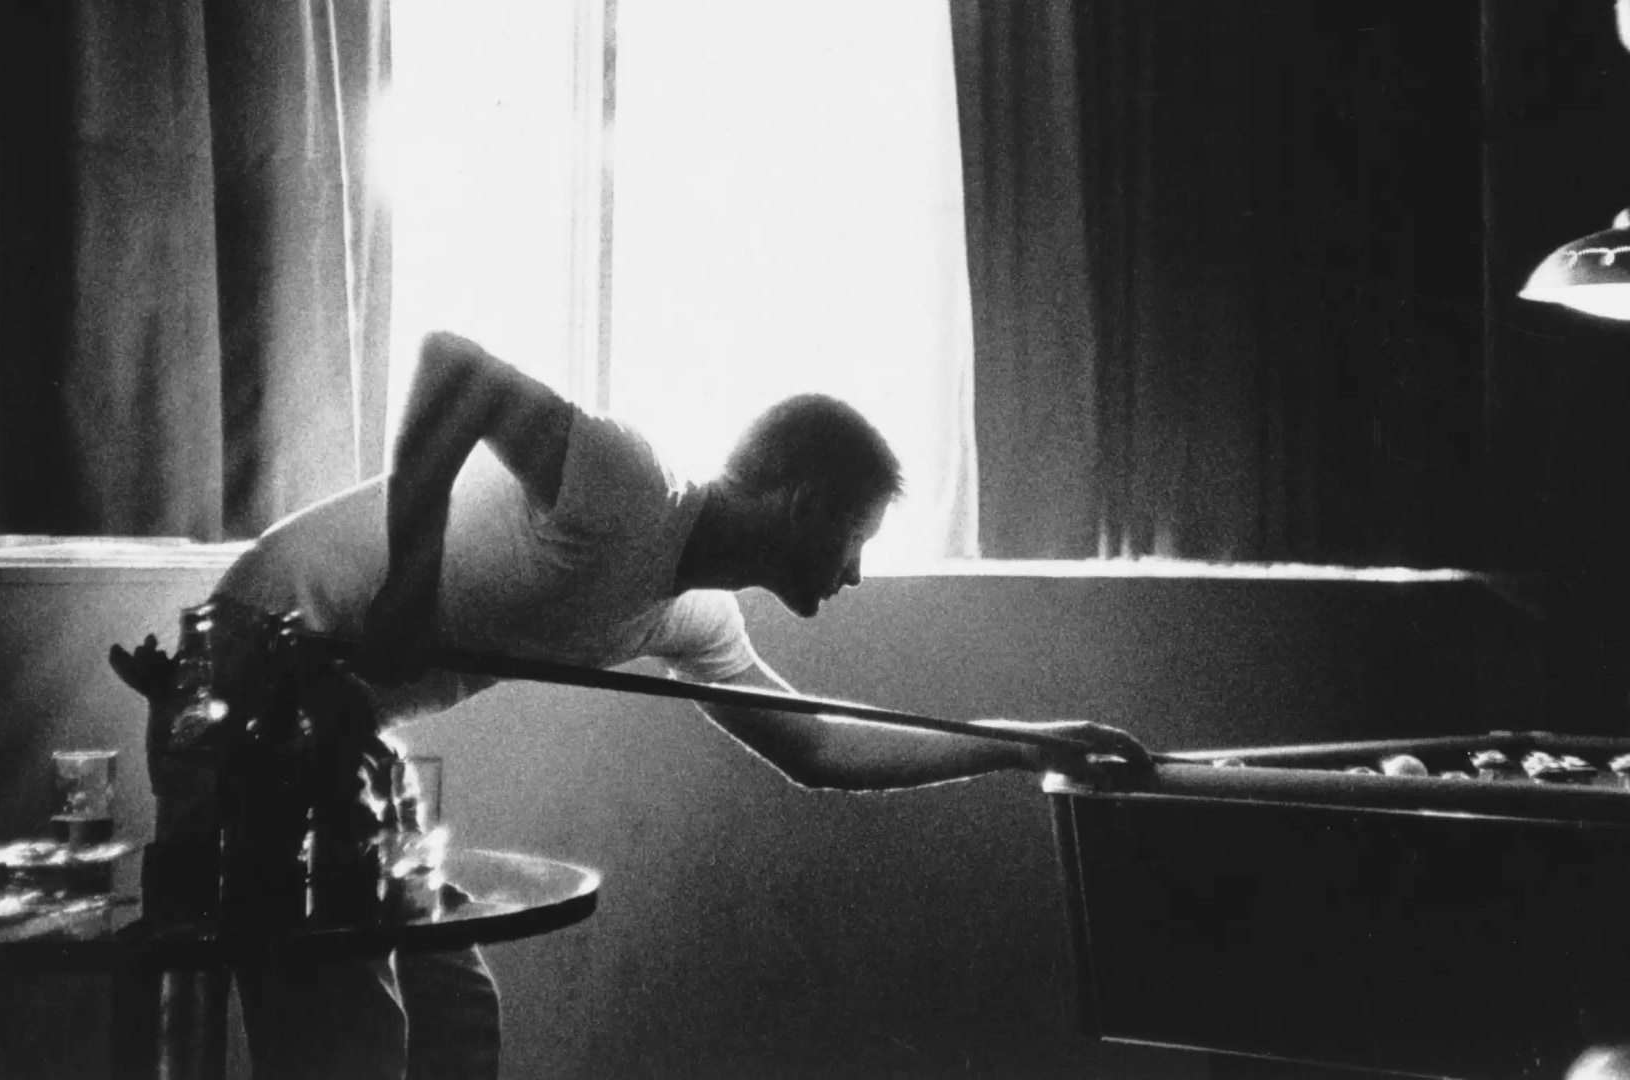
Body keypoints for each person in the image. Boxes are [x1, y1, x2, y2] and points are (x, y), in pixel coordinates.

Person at [115, 330, 1148, 1080]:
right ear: (803, 504)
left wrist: (1016, 748)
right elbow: (450, 365)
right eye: (857, 540)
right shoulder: (628, 484)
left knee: (457, 1014)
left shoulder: (694, 621)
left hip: (351, 730)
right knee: (349, 1046)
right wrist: (407, 585)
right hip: (250, 677)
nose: (854, 576)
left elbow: (821, 746)